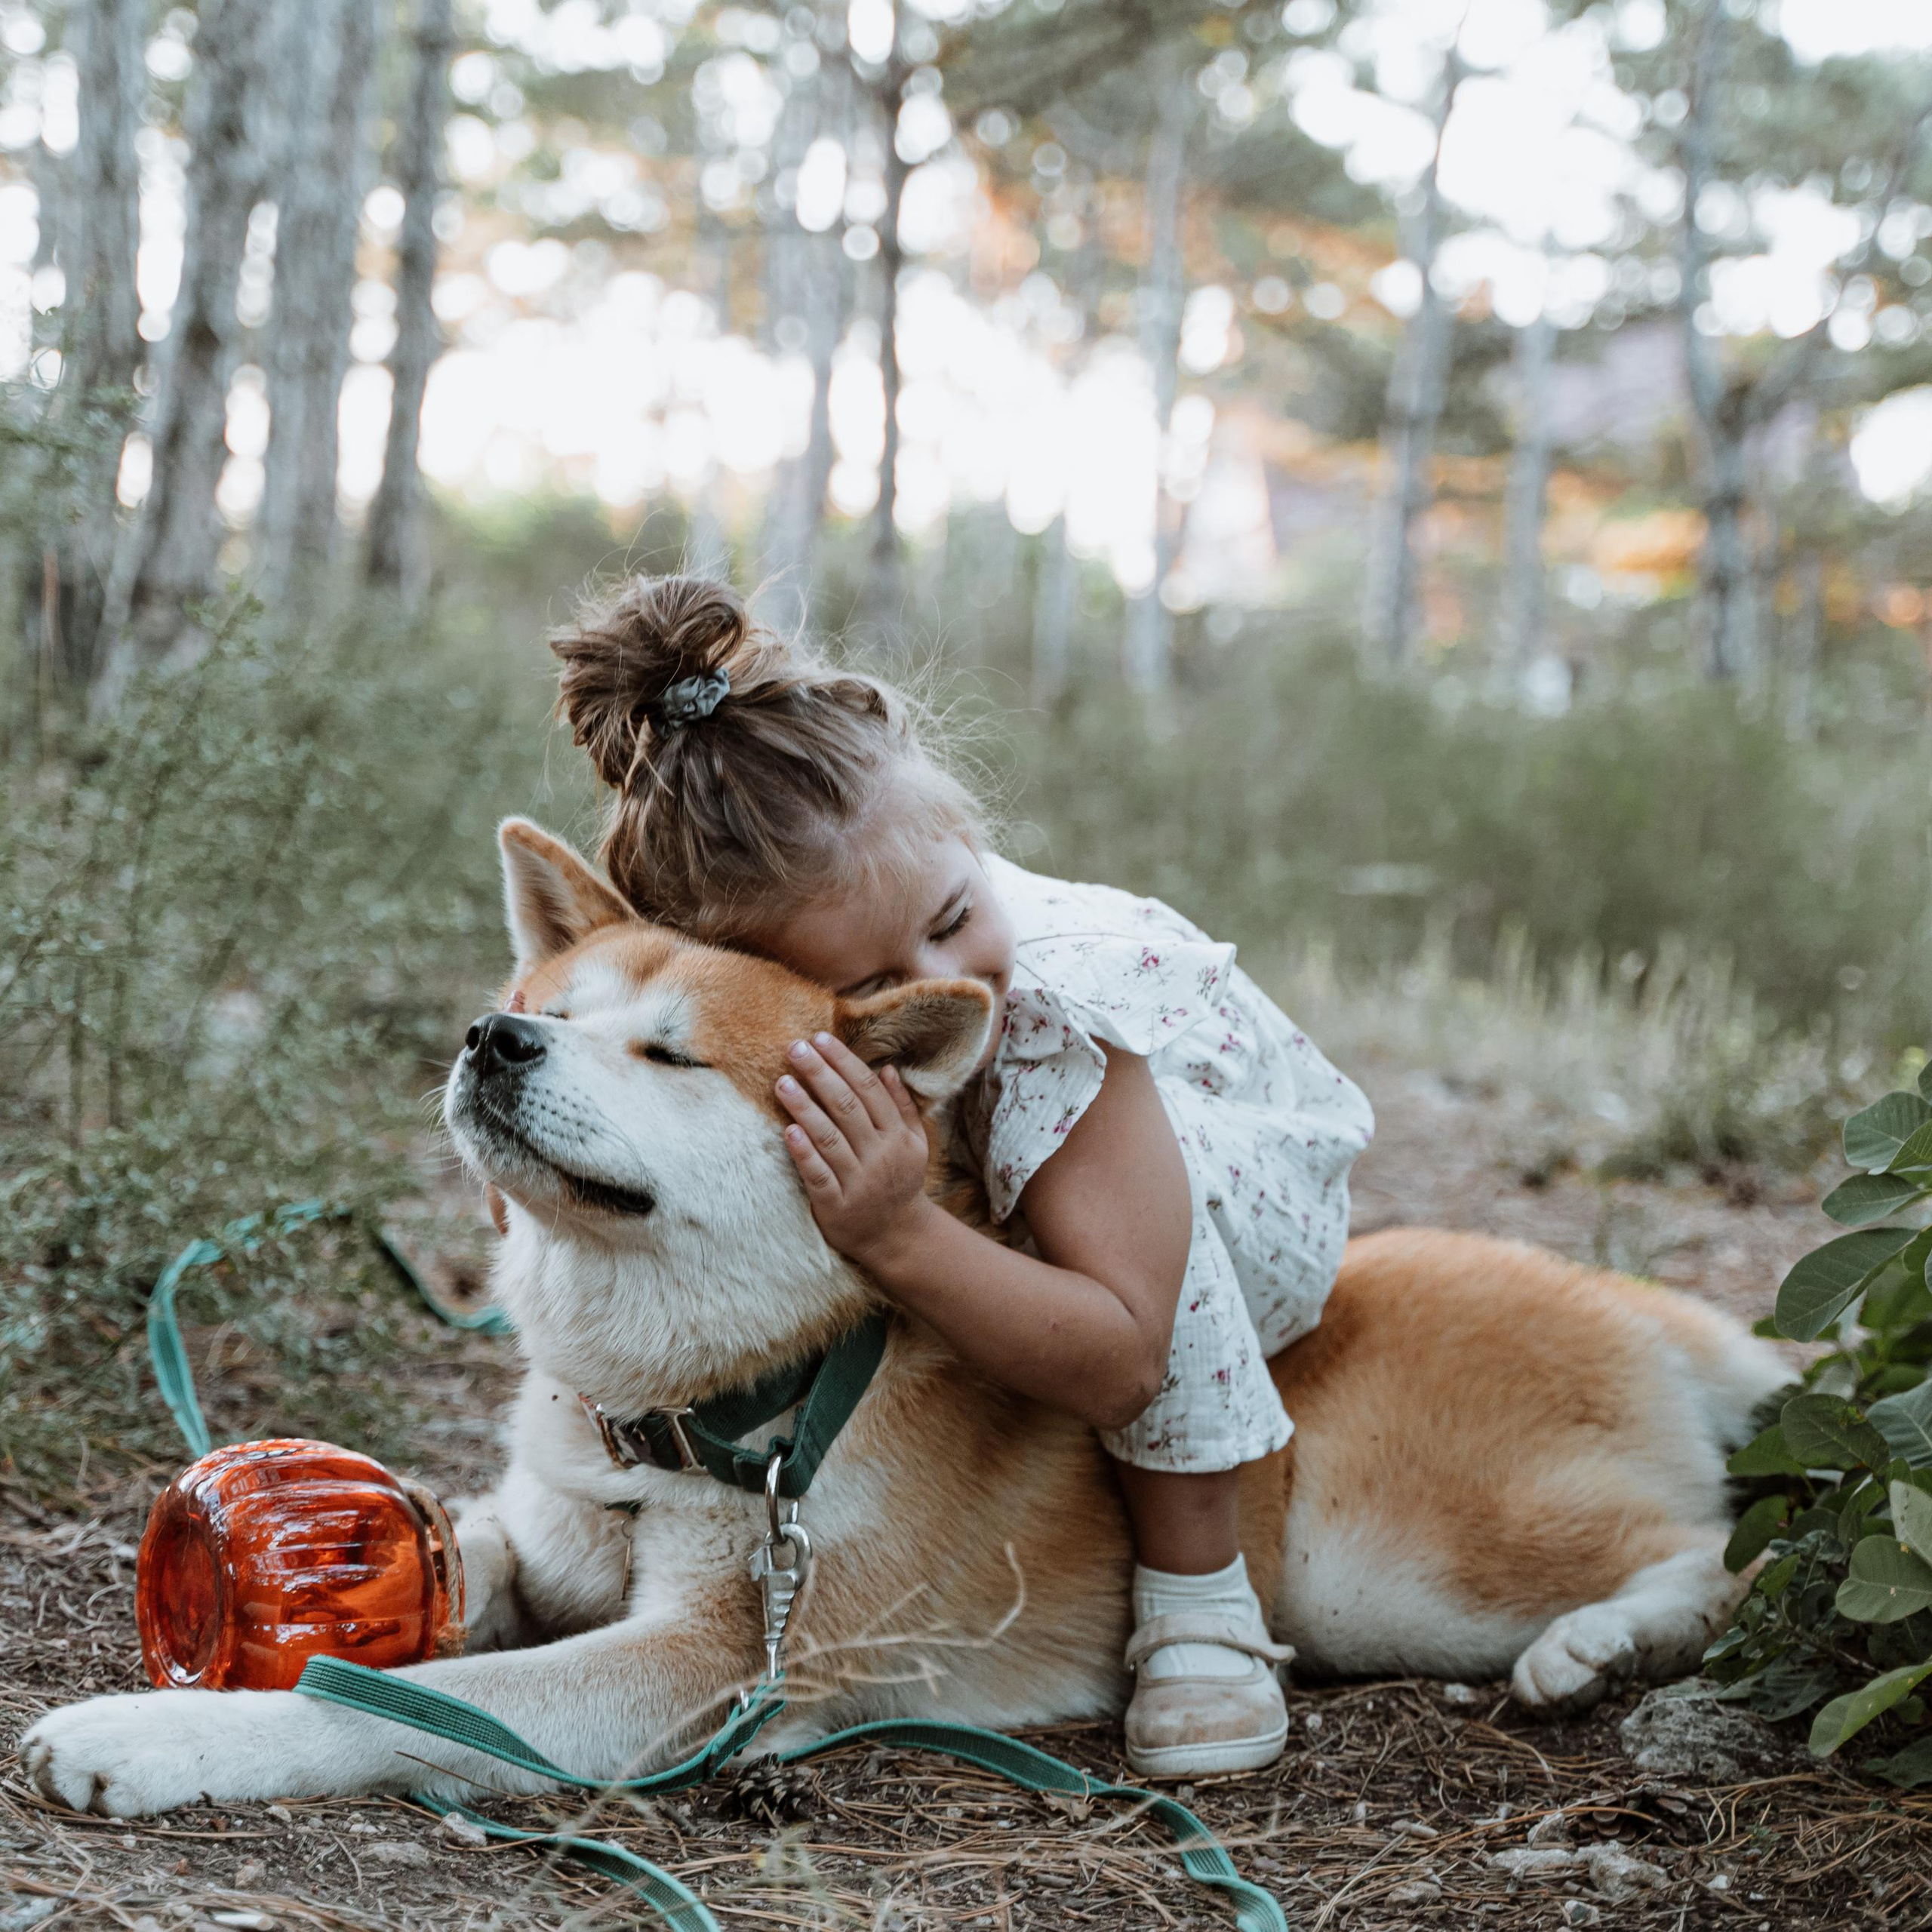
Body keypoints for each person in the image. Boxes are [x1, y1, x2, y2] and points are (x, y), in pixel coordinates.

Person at [549, 574, 1374, 1777]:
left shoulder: (1050, 1020)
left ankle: (1202, 1608)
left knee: (1143, 1274)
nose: (943, 978)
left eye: (949, 916)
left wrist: (899, 1238)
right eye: (870, 987)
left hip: (1216, 1187)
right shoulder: (858, 929)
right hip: (992, 1151)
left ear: (964, 836)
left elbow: (1125, 1356)